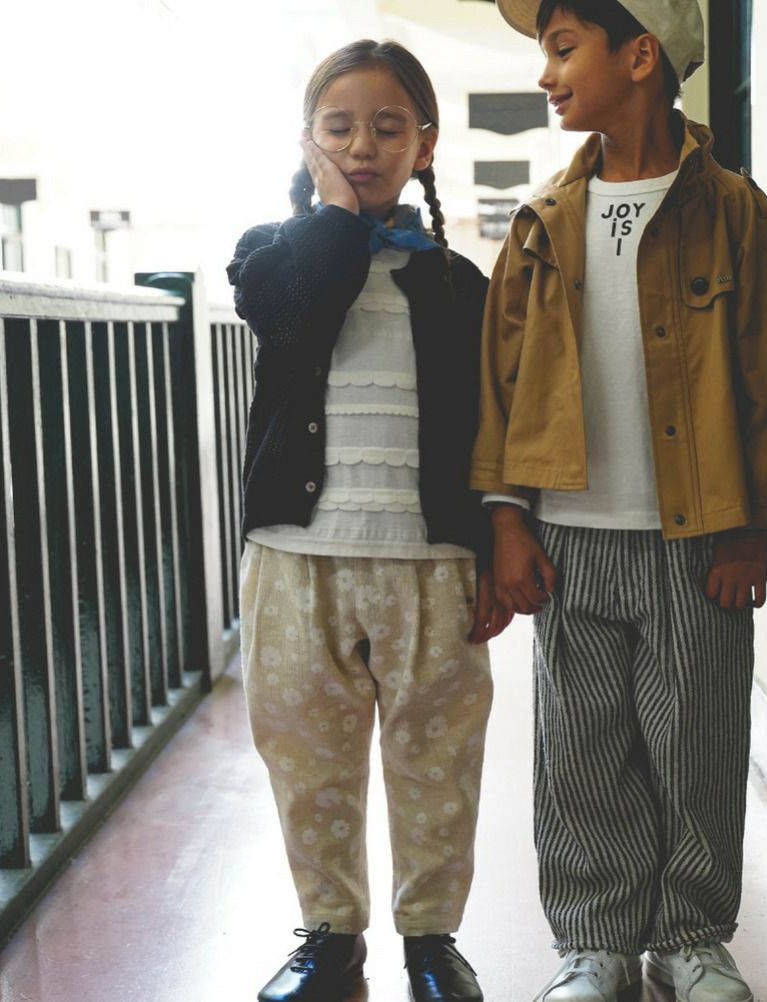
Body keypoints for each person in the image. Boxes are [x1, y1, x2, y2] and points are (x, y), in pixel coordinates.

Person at [472, 2, 767, 1001]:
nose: (545, 73)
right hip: (568, 539)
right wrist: (505, 518)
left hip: (699, 539)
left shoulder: (734, 211)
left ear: (640, 55)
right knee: (580, 749)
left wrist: (754, 529)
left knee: (697, 743)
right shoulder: (542, 223)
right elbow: (500, 382)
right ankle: (594, 943)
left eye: (562, 48)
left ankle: (690, 938)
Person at [227, 38, 510, 1002]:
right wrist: (340, 218)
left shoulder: (460, 283)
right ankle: (329, 935)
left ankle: (430, 940)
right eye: (340, 127)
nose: (363, 146)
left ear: (425, 145)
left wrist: (491, 544)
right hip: (296, 559)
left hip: (432, 563)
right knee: (308, 762)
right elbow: (292, 315)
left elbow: (491, 425)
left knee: (439, 759)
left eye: (389, 128)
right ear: (308, 141)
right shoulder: (273, 256)